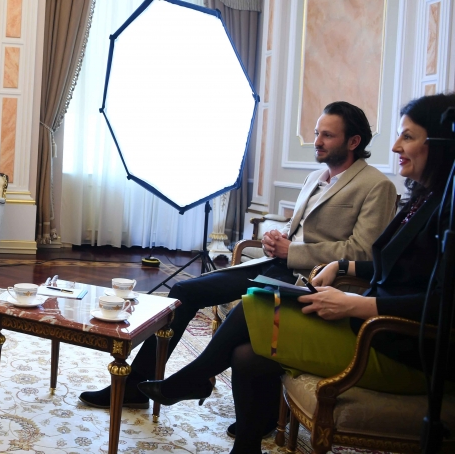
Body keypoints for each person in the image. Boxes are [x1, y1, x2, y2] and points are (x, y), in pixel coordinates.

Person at [137, 93, 455, 454]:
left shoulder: (389, 190)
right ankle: (189, 397)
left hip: (392, 339)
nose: (396, 145)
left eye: (408, 136)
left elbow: (425, 290)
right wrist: (287, 243)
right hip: (316, 284)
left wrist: (351, 300)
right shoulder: (423, 197)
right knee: (212, 314)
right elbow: (386, 263)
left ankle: (194, 379)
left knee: (255, 308)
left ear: (443, 142)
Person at [80, 101, 397, 437]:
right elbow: (299, 226)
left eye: (327, 135)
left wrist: (294, 251)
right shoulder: (315, 176)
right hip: (277, 263)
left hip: (312, 279)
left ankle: (204, 384)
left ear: (353, 141)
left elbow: (363, 252)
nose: (317, 141)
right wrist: (278, 237)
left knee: (248, 307)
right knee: (184, 291)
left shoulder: (376, 186)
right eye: (317, 133)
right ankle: (136, 385)